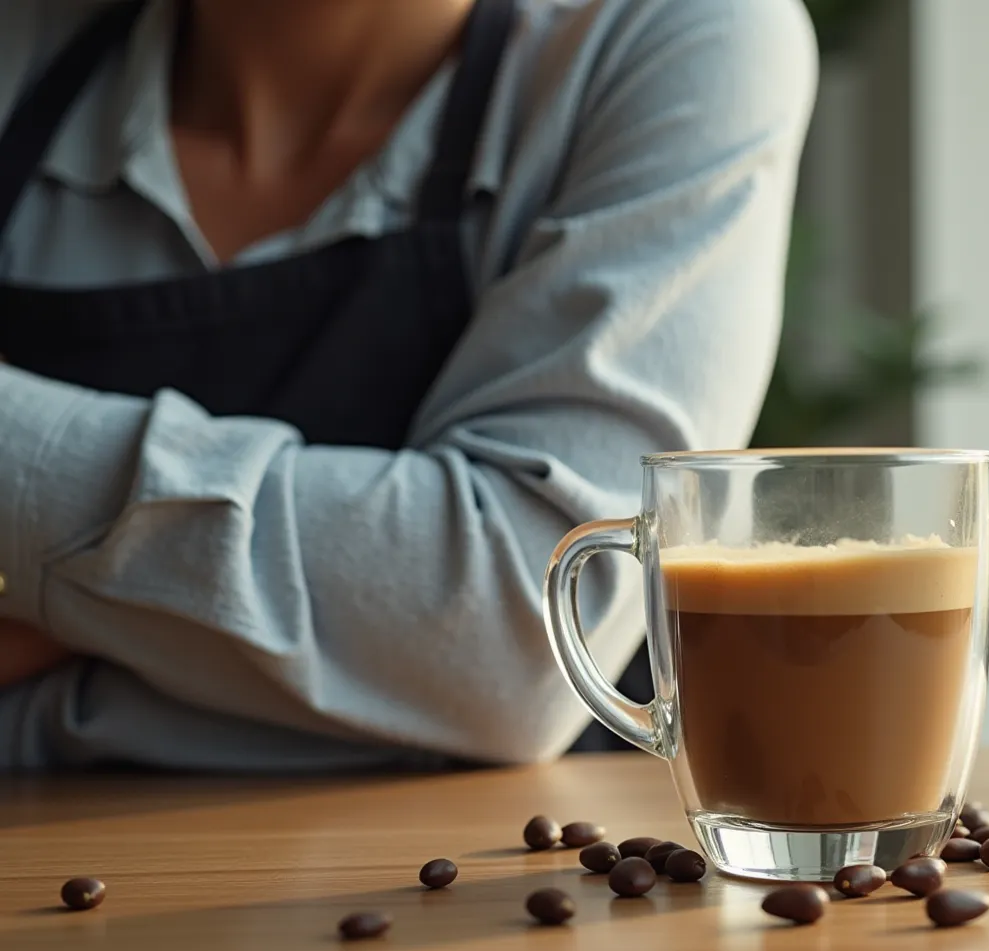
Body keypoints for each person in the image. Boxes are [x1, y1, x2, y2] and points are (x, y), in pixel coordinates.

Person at [0, 0, 817, 770]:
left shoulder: (665, 34)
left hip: (489, 899)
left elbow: (516, 639)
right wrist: (382, 664)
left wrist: (53, 613)